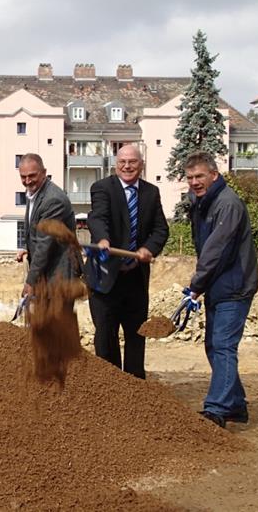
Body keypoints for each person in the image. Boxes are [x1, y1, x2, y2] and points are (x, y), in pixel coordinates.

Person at [184, 152, 258, 427]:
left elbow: (216, 251)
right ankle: (236, 406)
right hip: (218, 284)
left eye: (200, 176)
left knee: (223, 346)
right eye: (190, 177)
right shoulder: (201, 202)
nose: (194, 182)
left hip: (235, 285)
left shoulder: (227, 204)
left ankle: (216, 410)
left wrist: (196, 285)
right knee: (214, 346)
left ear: (214, 175)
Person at [84, 145, 169, 379]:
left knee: (136, 335)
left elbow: (161, 229)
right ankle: (110, 387)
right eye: (122, 162)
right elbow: (98, 217)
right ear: (115, 164)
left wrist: (148, 249)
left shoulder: (151, 193)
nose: (127, 166)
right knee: (105, 335)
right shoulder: (102, 188)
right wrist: (102, 239)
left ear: (141, 164)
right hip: (105, 278)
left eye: (132, 162)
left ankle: (134, 388)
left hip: (135, 278)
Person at [14, 154, 82, 296]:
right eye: (23, 177)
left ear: (44, 173)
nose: (27, 181)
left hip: (59, 274)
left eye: (32, 176)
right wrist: (28, 249)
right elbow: (36, 231)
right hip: (47, 272)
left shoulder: (53, 200)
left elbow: (45, 244)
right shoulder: (34, 193)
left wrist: (30, 281)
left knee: (59, 317)